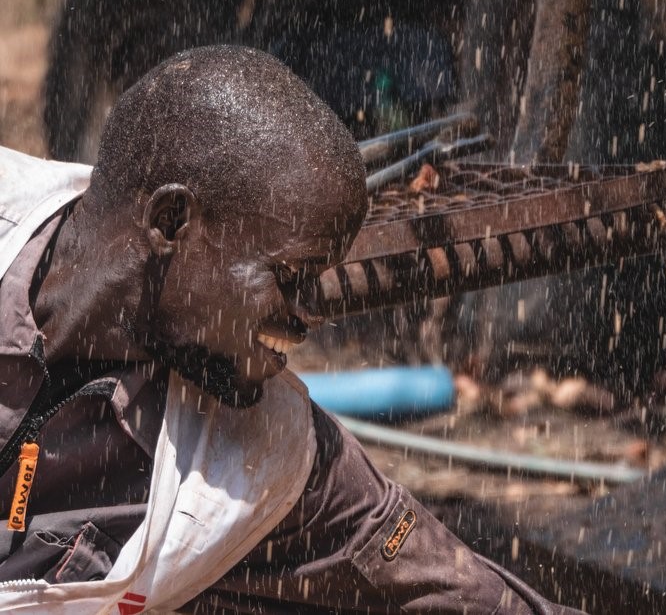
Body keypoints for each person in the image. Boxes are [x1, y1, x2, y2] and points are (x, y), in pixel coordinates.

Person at [0, 45, 581, 613]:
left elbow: (454, 587)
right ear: (172, 222)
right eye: (290, 275)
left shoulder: (267, 455)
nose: (309, 315)